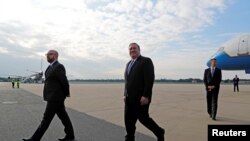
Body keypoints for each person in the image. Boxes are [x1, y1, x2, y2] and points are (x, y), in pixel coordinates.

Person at [23, 50, 75, 141]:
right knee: (63, 116)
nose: (47, 56)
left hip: (55, 97)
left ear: (55, 56)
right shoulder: (49, 67)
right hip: (52, 96)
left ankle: (34, 139)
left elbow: (64, 82)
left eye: (49, 54)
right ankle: (70, 136)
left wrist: (66, 93)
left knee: (46, 119)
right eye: (47, 54)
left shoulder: (59, 66)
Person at [124, 43, 165, 141]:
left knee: (144, 119)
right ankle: (129, 138)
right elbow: (127, 81)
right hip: (129, 99)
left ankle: (159, 132)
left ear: (139, 49)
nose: (132, 50)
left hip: (140, 98)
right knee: (128, 121)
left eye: (134, 48)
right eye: (130, 49)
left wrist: (146, 95)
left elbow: (149, 79)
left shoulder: (146, 61)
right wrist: (125, 94)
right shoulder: (128, 64)